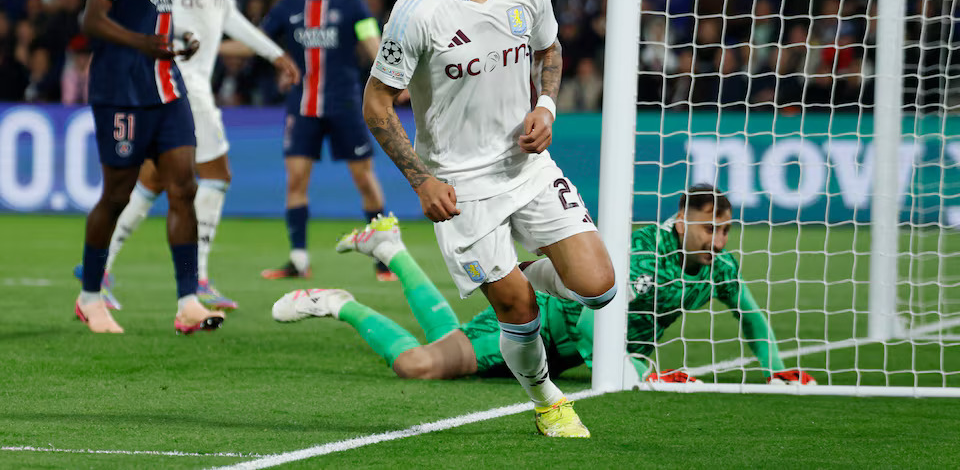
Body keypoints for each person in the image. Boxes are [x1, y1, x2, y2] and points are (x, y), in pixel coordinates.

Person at [361, 0, 616, 438]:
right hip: (460, 187)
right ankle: (548, 400)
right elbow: (377, 105)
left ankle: (513, 273)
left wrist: (546, 107)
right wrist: (421, 180)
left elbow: (550, 49)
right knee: (519, 313)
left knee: (599, 287)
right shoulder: (417, 12)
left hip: (525, 168)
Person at [272, 202, 815, 387]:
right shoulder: (645, 255)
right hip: (540, 322)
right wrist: (635, 370)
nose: (717, 241)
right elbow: (588, 321)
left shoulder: (718, 266)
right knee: (421, 364)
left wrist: (776, 366)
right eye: (708, 230)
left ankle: (390, 249)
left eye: (724, 231)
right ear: (681, 224)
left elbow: (751, 315)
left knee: (446, 341)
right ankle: (340, 302)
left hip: (568, 354)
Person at [74, 0, 301, 311]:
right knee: (216, 174)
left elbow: (229, 17)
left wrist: (274, 53)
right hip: (178, 84)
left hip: (188, 88)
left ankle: (101, 269)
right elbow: (146, 18)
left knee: (152, 182)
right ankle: (196, 279)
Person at [74, 0, 223, 334]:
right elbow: (92, 19)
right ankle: (91, 297)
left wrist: (179, 40)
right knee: (117, 195)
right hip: (122, 90)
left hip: (166, 84)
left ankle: (187, 303)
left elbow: (153, 17)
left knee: (185, 188)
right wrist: (142, 43)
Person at [259, 0, 396, 282]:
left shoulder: (351, 3)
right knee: (296, 181)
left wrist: (393, 77)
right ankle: (298, 260)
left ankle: (384, 259)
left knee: (365, 178)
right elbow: (259, 41)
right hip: (302, 107)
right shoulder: (288, 6)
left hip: (345, 104)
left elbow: (370, 40)